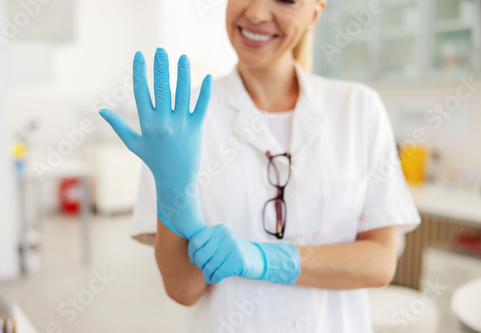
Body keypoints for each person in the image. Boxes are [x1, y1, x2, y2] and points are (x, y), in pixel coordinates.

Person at [100, 0, 421, 332]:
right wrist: (173, 192)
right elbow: (183, 289)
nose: (255, 13)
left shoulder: (357, 109)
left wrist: (265, 260)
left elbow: (379, 264)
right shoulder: (182, 120)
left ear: (315, 12)